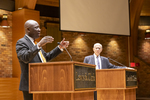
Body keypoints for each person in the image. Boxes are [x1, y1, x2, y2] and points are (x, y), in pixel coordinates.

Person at [16, 20, 69, 100]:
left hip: (42, 82)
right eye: (36, 27)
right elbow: (25, 58)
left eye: (39, 27)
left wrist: (60, 47)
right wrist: (39, 45)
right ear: (28, 29)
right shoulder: (21, 42)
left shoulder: (35, 43)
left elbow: (46, 58)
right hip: (30, 84)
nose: (39, 29)